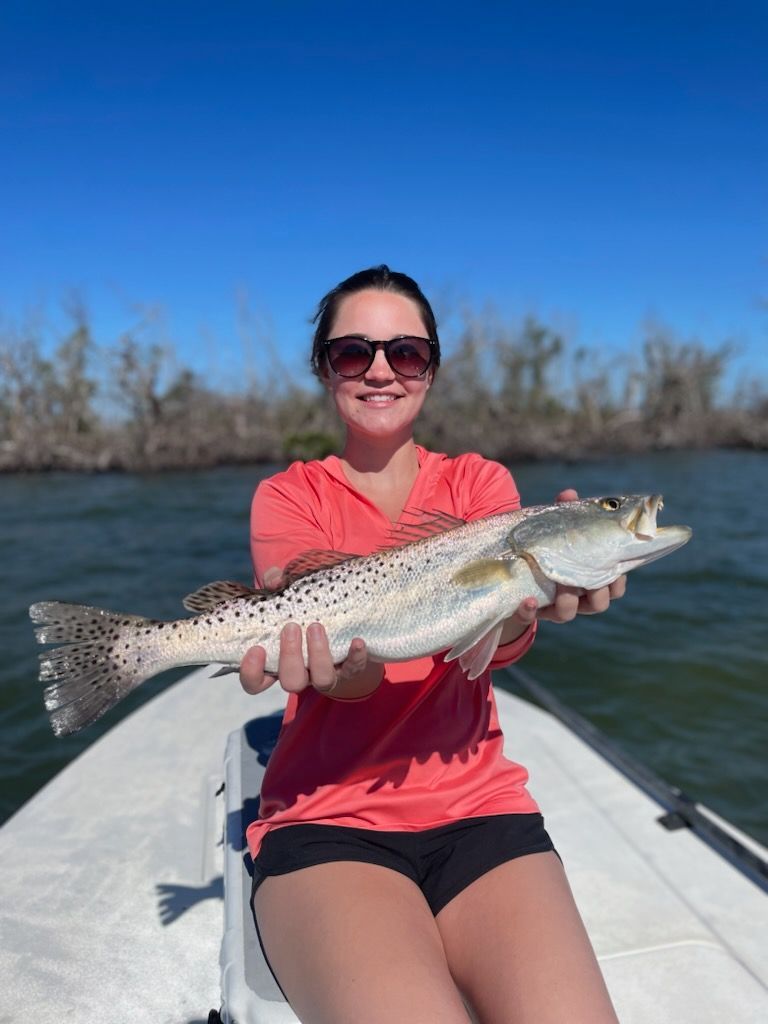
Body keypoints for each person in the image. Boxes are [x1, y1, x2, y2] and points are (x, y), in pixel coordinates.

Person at [239, 266, 623, 1024]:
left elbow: (496, 642)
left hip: (481, 809)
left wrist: (535, 600)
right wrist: (333, 671)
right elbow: (342, 684)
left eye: (406, 353)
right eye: (354, 352)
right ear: (324, 369)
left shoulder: (482, 485)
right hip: (328, 820)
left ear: (431, 369)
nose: (380, 370)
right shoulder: (289, 497)